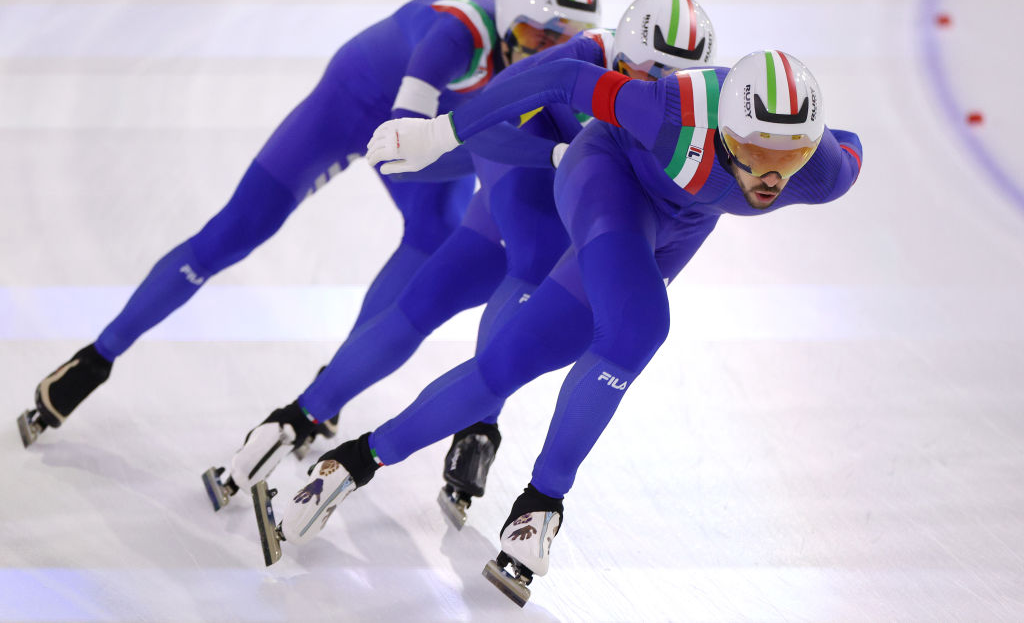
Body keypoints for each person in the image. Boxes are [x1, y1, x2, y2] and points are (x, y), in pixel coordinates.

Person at [259, 47, 862, 605]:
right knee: (637, 330)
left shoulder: (824, 170)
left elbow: (851, 145)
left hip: (680, 227)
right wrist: (440, 134)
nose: (771, 178)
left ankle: (354, 461)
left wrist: (799, 155)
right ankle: (543, 502)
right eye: (757, 155)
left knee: (511, 363)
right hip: (606, 177)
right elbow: (561, 77)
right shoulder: (670, 110)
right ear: (724, 132)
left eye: (792, 157)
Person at [16, 0, 598, 450]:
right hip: (356, 107)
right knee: (236, 230)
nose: (542, 51)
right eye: (533, 36)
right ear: (508, 20)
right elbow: (407, 126)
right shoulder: (460, 30)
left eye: (560, 40)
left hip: (420, 135)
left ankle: (338, 378)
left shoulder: (546, 66)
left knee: (435, 238)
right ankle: (96, 356)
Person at [216, 0, 714, 528]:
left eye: (664, 92)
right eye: (630, 76)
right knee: (506, 273)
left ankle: (304, 416)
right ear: (615, 55)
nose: (637, 99)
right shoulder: (581, 62)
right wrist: (516, 149)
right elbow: (485, 122)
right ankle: (386, 420)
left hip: (586, 188)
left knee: (452, 295)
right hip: (531, 171)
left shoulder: (699, 109)